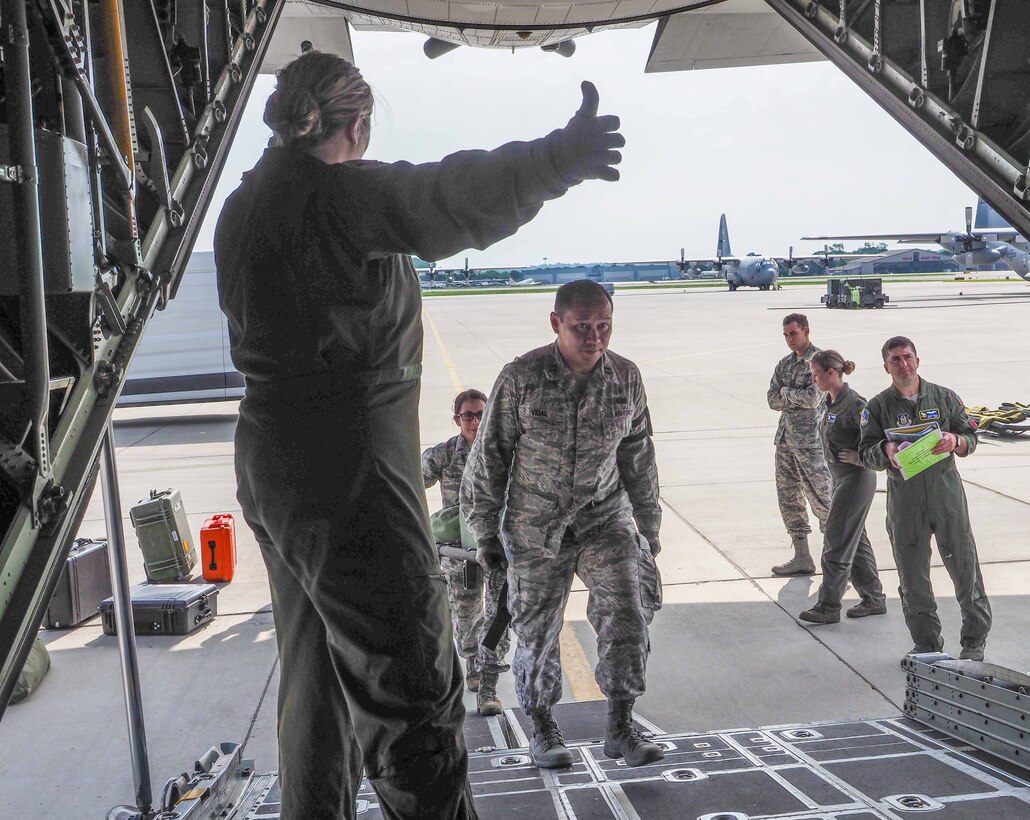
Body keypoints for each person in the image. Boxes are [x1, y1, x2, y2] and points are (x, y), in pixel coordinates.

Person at [214, 49, 625, 819]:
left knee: (318, 684)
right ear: (357, 126)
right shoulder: (332, 196)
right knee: (413, 691)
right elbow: (444, 197)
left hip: (272, 459)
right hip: (351, 469)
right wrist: (557, 159)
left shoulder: (244, 203)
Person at [461, 279, 664, 771]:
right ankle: (543, 726)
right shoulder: (521, 377)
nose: (594, 337)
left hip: (604, 518)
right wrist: (485, 532)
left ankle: (620, 724)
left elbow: (638, 453)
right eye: (581, 327)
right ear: (556, 324)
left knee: (628, 614)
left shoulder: (626, 378)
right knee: (537, 631)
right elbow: (489, 458)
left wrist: (649, 524)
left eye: (603, 326)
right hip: (535, 526)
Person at [858, 336, 992, 663]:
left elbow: (971, 436)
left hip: (946, 497)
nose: (903, 365)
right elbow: (865, 453)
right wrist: (886, 451)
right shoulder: (877, 407)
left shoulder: (945, 398)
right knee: (912, 576)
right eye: (895, 360)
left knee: (965, 569)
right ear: (886, 366)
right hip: (905, 502)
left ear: (918, 360)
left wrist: (955, 440)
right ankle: (927, 645)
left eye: (907, 357)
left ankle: (973, 643)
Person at [422, 389, 510, 717]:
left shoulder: (505, 453)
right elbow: (407, 484)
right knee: (465, 619)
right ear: (457, 420)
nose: (475, 421)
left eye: (481, 414)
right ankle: (473, 661)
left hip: (499, 552)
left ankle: (488, 684)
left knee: (499, 616)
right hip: (461, 556)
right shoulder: (443, 455)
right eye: (468, 415)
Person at [799, 350, 887, 625]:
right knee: (855, 541)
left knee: (836, 540)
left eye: (815, 374)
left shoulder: (855, 405)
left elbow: (879, 440)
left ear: (831, 373)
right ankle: (873, 598)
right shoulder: (831, 402)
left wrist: (861, 457)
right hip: (841, 478)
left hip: (856, 479)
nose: (813, 379)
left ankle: (828, 605)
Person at [766, 313, 832, 576]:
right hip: (785, 441)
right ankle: (802, 556)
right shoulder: (784, 364)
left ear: (806, 331)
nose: (789, 340)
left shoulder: (821, 361)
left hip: (811, 443)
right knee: (789, 498)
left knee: (823, 500)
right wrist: (789, 395)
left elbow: (813, 398)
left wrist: (786, 393)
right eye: (785, 335)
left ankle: (836, 558)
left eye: (793, 334)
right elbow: (771, 399)